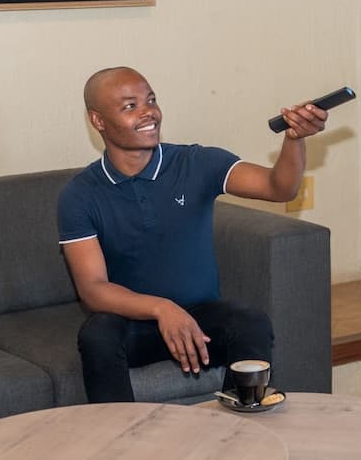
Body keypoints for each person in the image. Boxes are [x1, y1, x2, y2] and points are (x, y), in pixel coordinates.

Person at [57, 66, 328, 402]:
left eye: (151, 100)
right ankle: (121, 432)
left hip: (201, 321)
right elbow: (93, 289)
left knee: (250, 323)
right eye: (130, 106)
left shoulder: (196, 163)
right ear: (98, 120)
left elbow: (279, 187)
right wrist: (162, 309)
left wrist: (295, 138)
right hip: (133, 324)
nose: (148, 112)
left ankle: (240, 422)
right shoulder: (80, 194)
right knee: (98, 335)